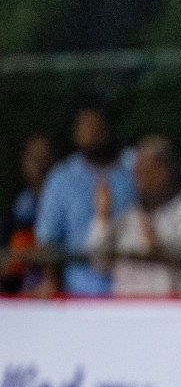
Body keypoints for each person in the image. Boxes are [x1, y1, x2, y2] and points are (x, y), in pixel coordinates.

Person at [84, 135, 181, 296]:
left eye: (145, 171)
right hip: (130, 312)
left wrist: (161, 247)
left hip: (178, 312)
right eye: (137, 173)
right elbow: (98, 263)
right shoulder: (130, 216)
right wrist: (102, 217)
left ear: (165, 171)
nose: (139, 180)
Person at [35, 103, 135, 296]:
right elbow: (47, 242)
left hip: (135, 294)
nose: (92, 131)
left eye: (98, 124)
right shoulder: (62, 178)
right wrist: (52, 284)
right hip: (80, 295)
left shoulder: (135, 167)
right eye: (85, 125)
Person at [3, 134, 54, 294]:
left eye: (43, 158)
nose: (39, 165)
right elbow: (11, 258)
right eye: (33, 158)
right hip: (24, 289)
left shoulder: (65, 198)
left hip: (58, 285)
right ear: (24, 163)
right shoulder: (22, 204)